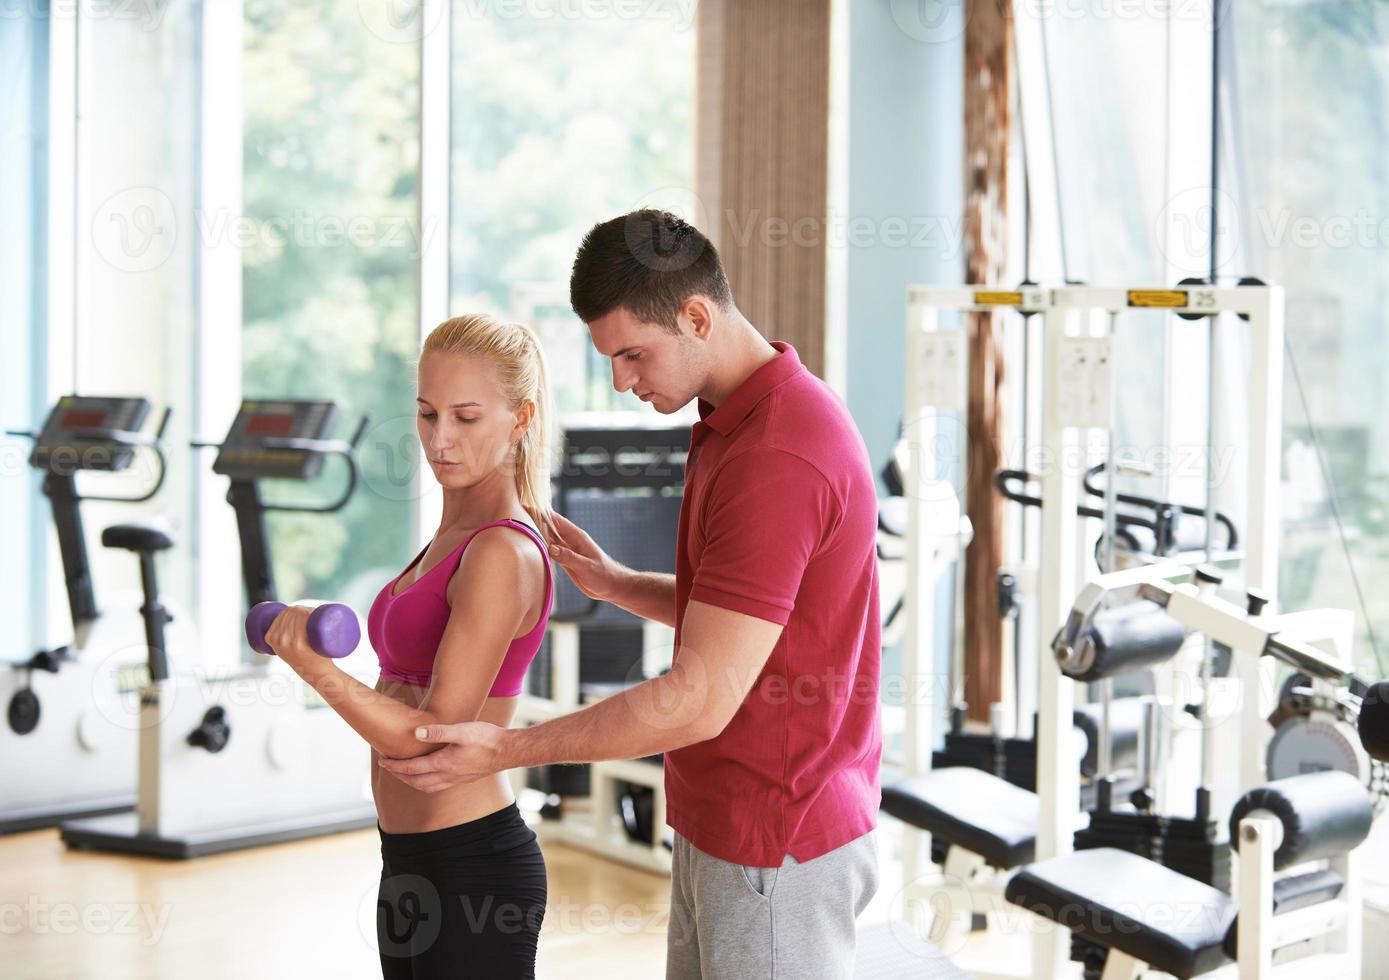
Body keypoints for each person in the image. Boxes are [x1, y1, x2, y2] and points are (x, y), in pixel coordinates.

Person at [380, 210, 884, 979]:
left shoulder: (780, 452)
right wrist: (619, 585)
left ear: (695, 315)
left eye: (632, 354)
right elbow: (749, 616)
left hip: (775, 832)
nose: (620, 379)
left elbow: (697, 697)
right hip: (721, 817)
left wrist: (509, 747)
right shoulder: (731, 422)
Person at [263, 313, 555, 979]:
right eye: (426, 414)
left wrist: (315, 669)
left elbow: (432, 734)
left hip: (472, 866)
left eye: (465, 417)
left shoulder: (500, 552)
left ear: (519, 418)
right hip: (409, 857)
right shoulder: (450, 539)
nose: (439, 439)